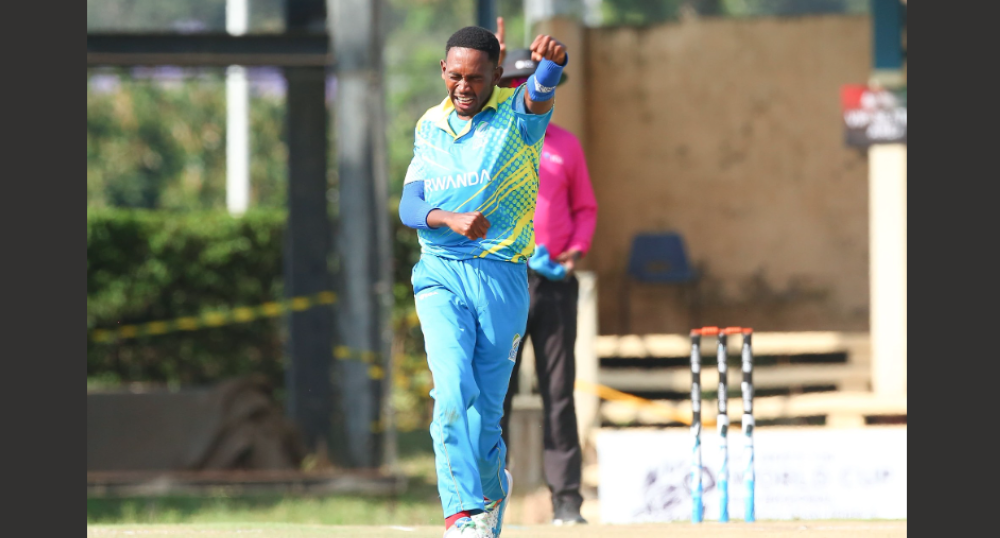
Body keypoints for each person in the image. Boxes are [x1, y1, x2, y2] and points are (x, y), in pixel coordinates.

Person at [397, 24, 569, 538]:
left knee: (483, 416)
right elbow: (410, 204)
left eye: (476, 77)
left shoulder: (516, 121)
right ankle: (462, 514)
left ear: (497, 75)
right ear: (443, 72)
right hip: (440, 274)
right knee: (450, 393)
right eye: (455, 76)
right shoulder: (430, 124)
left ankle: (491, 496)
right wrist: (446, 218)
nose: (464, 87)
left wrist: (552, 66)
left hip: (502, 279)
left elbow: (538, 94)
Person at [495, 41, 599, 527]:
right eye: (514, 84)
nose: (526, 91)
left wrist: (574, 253)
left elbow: (585, 209)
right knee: (498, 392)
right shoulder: (492, 139)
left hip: (554, 282)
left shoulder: (565, 145)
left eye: (534, 83)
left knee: (559, 391)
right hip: (504, 278)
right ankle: (486, 498)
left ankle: (566, 503)